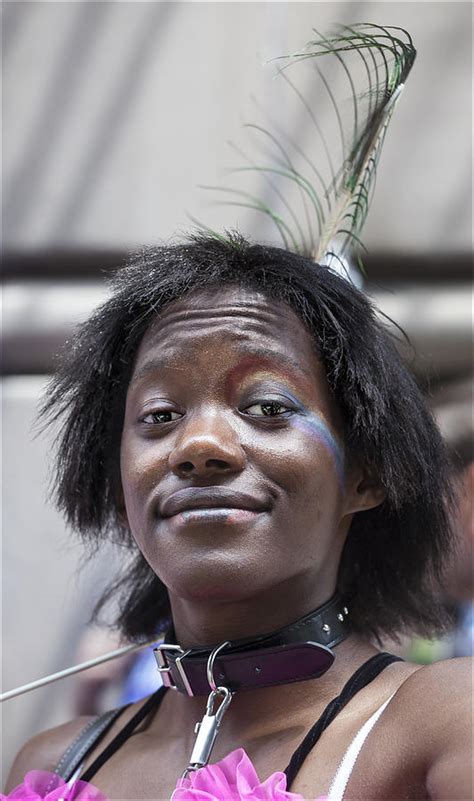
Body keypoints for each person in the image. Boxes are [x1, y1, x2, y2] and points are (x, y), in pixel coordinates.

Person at [4, 234, 471, 800]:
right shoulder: (56, 764)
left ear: (364, 475)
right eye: (159, 414)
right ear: (118, 486)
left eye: (268, 408)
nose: (199, 444)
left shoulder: (443, 724)